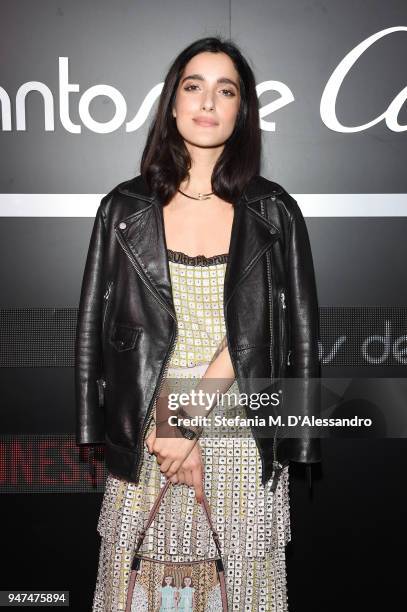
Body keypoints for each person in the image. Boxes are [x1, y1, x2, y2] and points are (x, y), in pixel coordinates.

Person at [76, 36, 321, 612]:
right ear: (172, 102)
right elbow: (93, 324)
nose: (208, 101)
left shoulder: (274, 210)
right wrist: (118, 424)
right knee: (130, 584)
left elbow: (294, 331)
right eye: (194, 86)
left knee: (247, 585)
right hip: (147, 430)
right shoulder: (123, 207)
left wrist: (187, 417)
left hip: (241, 423)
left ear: (241, 111)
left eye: (225, 89)